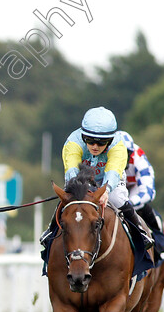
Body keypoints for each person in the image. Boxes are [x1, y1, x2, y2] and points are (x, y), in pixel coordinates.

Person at [40, 106, 153, 249]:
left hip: (110, 179)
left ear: (110, 140)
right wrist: (77, 191)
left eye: (101, 142)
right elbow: (72, 169)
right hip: (82, 178)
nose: (94, 146)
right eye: (90, 140)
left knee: (117, 198)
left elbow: (113, 171)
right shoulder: (72, 143)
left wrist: (106, 191)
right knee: (69, 198)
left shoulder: (118, 146)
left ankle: (139, 232)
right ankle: (51, 231)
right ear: (82, 136)